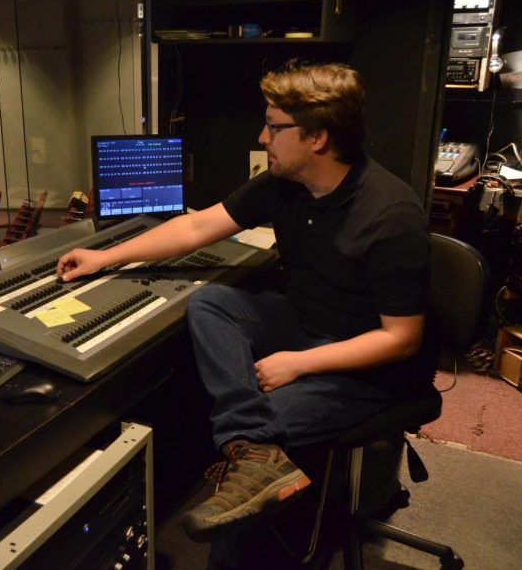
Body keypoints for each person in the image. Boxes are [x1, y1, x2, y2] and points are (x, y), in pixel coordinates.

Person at [56, 60, 431, 557]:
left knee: (270, 414)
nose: (261, 137)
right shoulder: (285, 185)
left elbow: (401, 339)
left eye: (274, 127)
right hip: (303, 322)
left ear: (317, 137)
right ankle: (252, 452)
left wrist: (300, 363)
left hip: (367, 368)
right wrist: (105, 256)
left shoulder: (390, 214)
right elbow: (195, 228)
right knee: (211, 302)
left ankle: (250, 469)